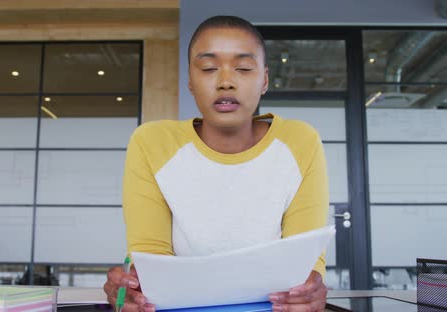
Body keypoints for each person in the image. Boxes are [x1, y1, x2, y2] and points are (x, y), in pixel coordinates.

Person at [104, 15, 329, 312]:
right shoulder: (152, 143)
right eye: (209, 68)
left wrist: (310, 289)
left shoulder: (300, 141)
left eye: (244, 68)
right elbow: (151, 257)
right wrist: (135, 289)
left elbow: (304, 261)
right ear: (190, 81)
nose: (225, 82)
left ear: (264, 80)